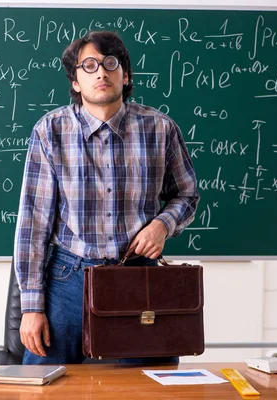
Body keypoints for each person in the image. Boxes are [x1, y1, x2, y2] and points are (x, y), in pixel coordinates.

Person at [13, 30, 199, 365]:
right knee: (41, 387)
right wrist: (31, 307)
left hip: (137, 277)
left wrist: (161, 226)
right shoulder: (49, 131)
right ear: (75, 82)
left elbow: (186, 194)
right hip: (68, 278)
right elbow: (33, 222)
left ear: (125, 75)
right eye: (89, 65)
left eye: (110, 63)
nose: (101, 72)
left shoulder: (160, 129)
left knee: (151, 389)